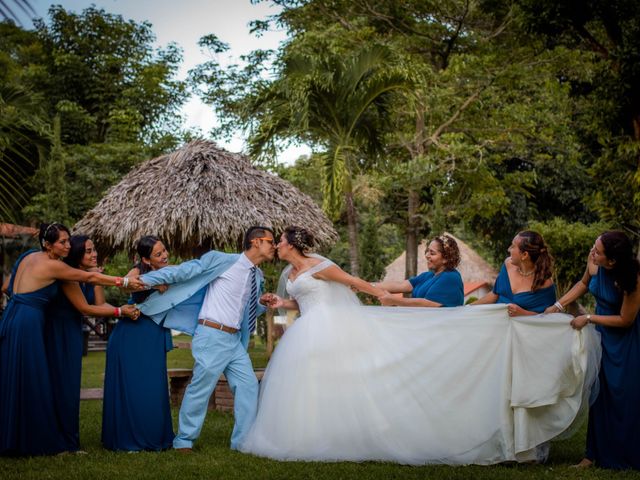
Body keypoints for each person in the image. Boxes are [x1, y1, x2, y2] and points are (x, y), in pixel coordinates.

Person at [0, 222, 143, 456]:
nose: (67, 245)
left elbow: (7, 288)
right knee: (33, 380)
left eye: (68, 241)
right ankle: (40, 441)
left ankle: (15, 436)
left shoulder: (28, 256)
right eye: (62, 242)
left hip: (12, 316)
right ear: (48, 244)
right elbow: (89, 278)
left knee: (16, 376)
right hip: (28, 323)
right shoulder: (55, 266)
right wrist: (125, 282)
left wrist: (31, 298)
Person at [136, 226, 277, 452]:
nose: (275, 246)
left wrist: (261, 303)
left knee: (249, 386)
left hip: (234, 341)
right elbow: (183, 271)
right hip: (212, 335)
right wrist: (144, 280)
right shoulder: (222, 260)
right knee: (202, 387)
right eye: (271, 241)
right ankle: (184, 440)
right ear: (257, 242)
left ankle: (243, 442)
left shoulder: (256, 276)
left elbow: (247, 312)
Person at [545, 231, 640, 470]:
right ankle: (591, 454)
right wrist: (558, 305)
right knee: (599, 394)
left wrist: (587, 317)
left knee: (623, 396)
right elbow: (584, 284)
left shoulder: (632, 278)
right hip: (601, 338)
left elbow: (625, 319)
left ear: (613, 261)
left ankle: (625, 453)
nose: (592, 253)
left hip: (625, 342)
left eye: (597, 251)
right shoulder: (595, 263)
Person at [45, 235, 140, 452]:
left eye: (94, 249)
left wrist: (130, 309)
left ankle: (68, 439)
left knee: (70, 385)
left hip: (72, 331)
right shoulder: (68, 276)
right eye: (88, 251)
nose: (94, 254)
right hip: (56, 331)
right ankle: (58, 440)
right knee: (58, 384)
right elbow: (85, 309)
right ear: (77, 254)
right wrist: (120, 312)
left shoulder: (93, 276)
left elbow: (100, 304)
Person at [102, 236, 175, 451]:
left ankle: (156, 435)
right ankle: (129, 437)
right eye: (158, 254)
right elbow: (125, 286)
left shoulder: (170, 269)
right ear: (146, 258)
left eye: (164, 251)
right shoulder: (138, 270)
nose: (164, 256)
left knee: (155, 384)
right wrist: (151, 280)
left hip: (154, 331)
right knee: (136, 386)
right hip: (134, 332)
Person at [472, 230, 556, 315]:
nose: (509, 249)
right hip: (496, 320)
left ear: (524, 255)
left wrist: (523, 313)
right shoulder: (508, 264)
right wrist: (468, 308)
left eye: (513, 246)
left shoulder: (544, 282)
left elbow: (547, 317)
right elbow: (495, 294)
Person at [374, 234, 464, 307]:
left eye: (432, 253)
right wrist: (368, 285)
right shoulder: (428, 276)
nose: (427, 255)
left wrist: (394, 300)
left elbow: (426, 304)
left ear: (446, 258)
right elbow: (401, 285)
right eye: (427, 251)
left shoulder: (451, 277)